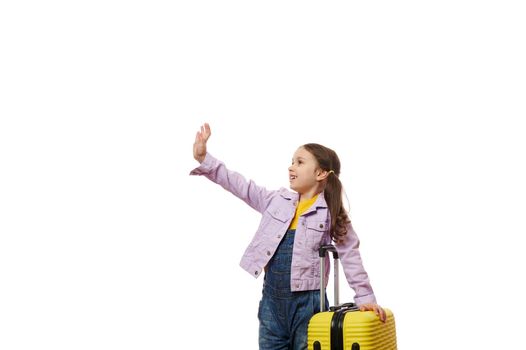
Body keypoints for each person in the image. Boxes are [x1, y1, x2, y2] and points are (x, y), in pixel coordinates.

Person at [190, 123, 387, 350]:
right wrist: (205, 158)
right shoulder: (276, 200)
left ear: (321, 173)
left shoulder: (331, 211)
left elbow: (350, 254)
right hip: (271, 302)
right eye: (292, 161)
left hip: (309, 305)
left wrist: (365, 298)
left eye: (299, 162)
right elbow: (240, 186)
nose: (291, 167)